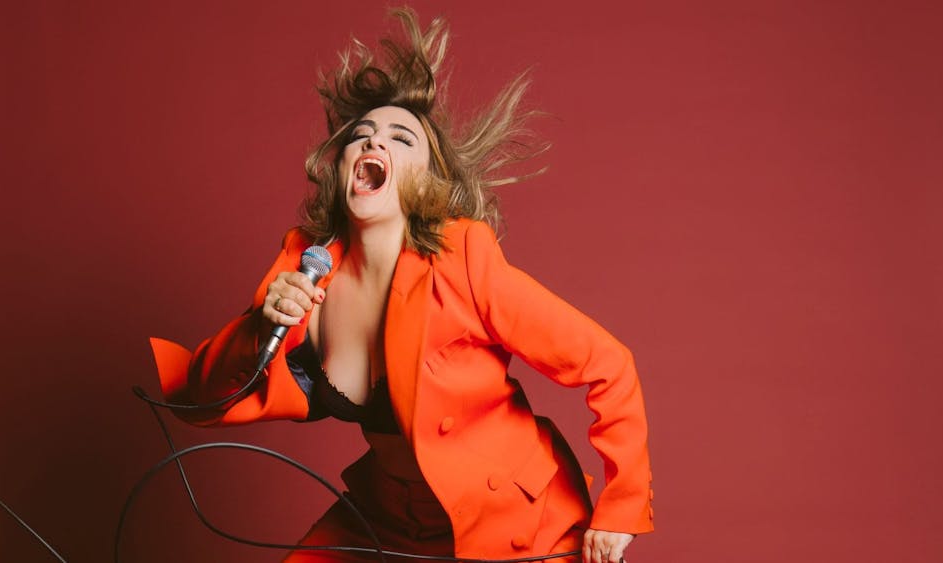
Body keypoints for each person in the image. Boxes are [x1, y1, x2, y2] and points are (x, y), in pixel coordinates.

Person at [150, 8, 654, 563]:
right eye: (360, 136)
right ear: (341, 165)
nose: (374, 143)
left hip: (515, 521)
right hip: (390, 521)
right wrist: (259, 327)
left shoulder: (462, 261)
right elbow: (204, 397)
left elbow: (608, 364)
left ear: (428, 179)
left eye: (400, 138)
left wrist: (622, 506)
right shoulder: (305, 270)